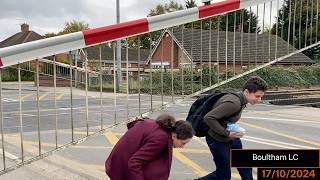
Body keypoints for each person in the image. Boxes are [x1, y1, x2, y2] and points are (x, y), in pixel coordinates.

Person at [197, 76, 268, 180]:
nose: (259, 100)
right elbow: (209, 118)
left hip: (231, 137)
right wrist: (227, 133)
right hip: (217, 139)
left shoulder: (241, 100)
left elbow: (225, 118)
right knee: (223, 175)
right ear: (247, 92)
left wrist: (232, 129)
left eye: (261, 97)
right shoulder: (234, 103)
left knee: (244, 166)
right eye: (257, 96)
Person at [105, 113, 195, 180]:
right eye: (183, 143)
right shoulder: (161, 138)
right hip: (121, 166)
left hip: (117, 161)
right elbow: (134, 162)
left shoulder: (156, 124)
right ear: (174, 136)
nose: (182, 147)